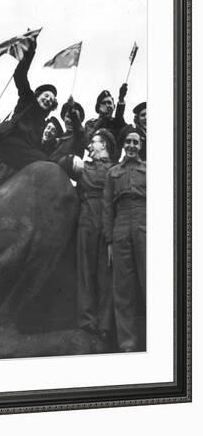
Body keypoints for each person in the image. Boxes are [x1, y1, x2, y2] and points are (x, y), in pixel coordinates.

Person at [60, 129, 115, 341]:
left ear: (105, 145)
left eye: (94, 142)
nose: (90, 146)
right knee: (85, 269)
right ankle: (87, 321)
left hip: (109, 218)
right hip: (87, 217)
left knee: (106, 271)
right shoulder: (83, 167)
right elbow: (57, 162)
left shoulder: (115, 169)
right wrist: (70, 158)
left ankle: (105, 324)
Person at [103, 125, 146, 352]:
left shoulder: (150, 170)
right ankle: (128, 344)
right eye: (128, 141)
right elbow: (107, 208)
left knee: (152, 283)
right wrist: (109, 240)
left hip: (144, 223)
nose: (131, 145)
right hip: (120, 225)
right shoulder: (113, 173)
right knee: (123, 288)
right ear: (123, 145)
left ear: (141, 146)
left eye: (135, 142)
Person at [0, 38, 58, 180]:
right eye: (46, 96)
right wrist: (30, 52)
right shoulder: (28, 100)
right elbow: (20, 75)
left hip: (22, 153)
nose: (47, 100)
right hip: (10, 143)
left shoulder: (43, 123)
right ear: (38, 95)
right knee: (45, 162)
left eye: (50, 100)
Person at [84, 85, 128, 160]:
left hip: (113, 165)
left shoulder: (117, 123)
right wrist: (103, 119)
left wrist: (121, 99)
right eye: (104, 103)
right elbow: (87, 141)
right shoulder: (91, 123)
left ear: (114, 106)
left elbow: (120, 121)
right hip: (96, 164)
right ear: (98, 107)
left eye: (109, 103)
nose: (107, 106)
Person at [48, 97, 87, 162]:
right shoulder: (59, 138)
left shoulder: (79, 138)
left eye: (75, 118)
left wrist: (72, 109)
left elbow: (78, 130)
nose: (71, 121)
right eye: (68, 116)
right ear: (64, 118)